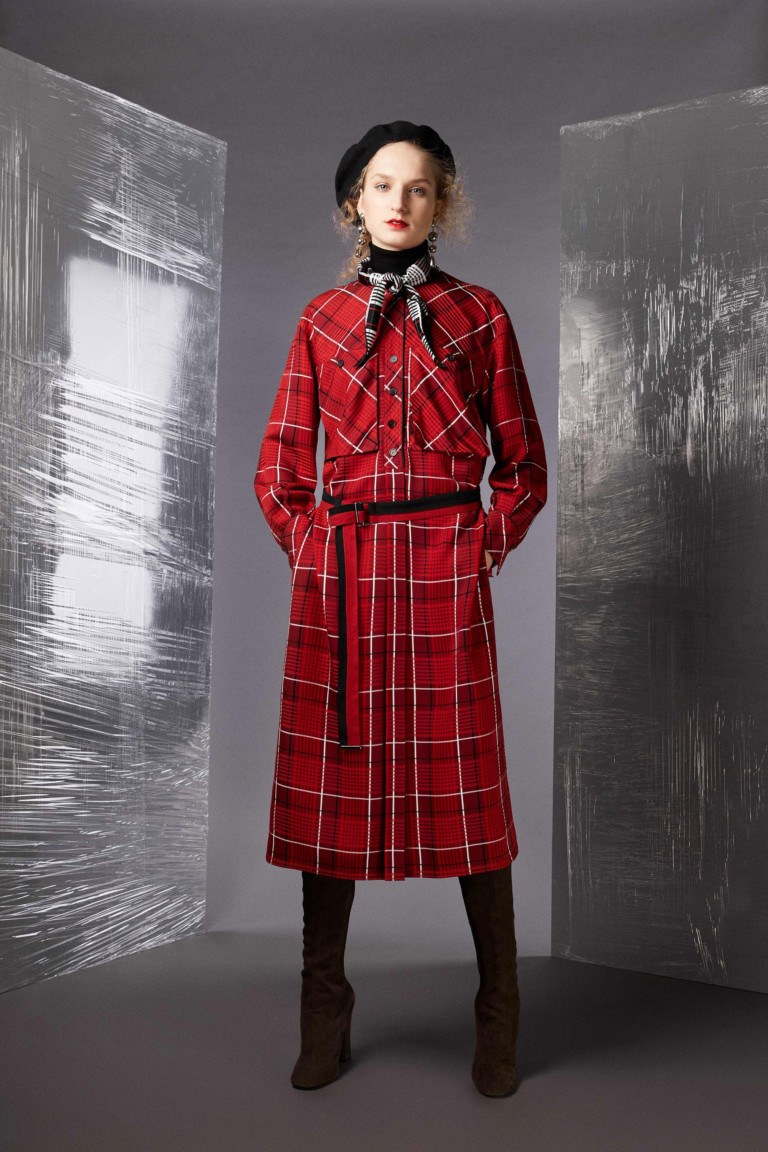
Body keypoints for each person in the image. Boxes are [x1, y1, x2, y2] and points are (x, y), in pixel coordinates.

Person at [254, 120, 547, 1096]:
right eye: (383, 185)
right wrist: (313, 551)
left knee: (469, 790)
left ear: (441, 204)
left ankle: (498, 1019)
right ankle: (323, 1014)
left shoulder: (481, 315)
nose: (399, 202)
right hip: (342, 573)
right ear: (356, 201)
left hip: (443, 567)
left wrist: (484, 545)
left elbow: (524, 466)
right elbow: (278, 470)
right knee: (331, 787)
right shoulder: (321, 318)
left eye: (419, 188)